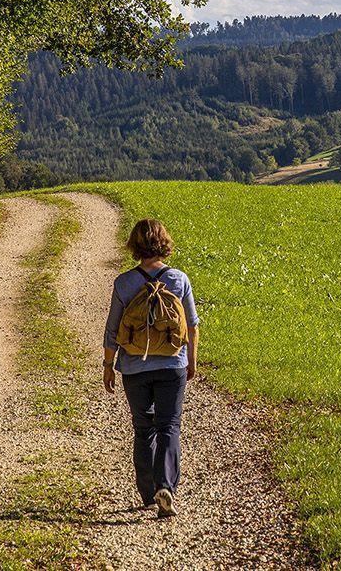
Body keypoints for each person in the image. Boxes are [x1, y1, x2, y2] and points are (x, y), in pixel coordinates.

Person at [102, 218, 200, 518]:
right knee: (169, 426)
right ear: (164, 243)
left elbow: (112, 330)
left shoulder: (124, 282)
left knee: (143, 428)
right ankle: (166, 487)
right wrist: (191, 361)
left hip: (134, 367)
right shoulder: (179, 280)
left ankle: (147, 491)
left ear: (134, 245)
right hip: (172, 364)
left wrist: (108, 365)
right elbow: (192, 326)